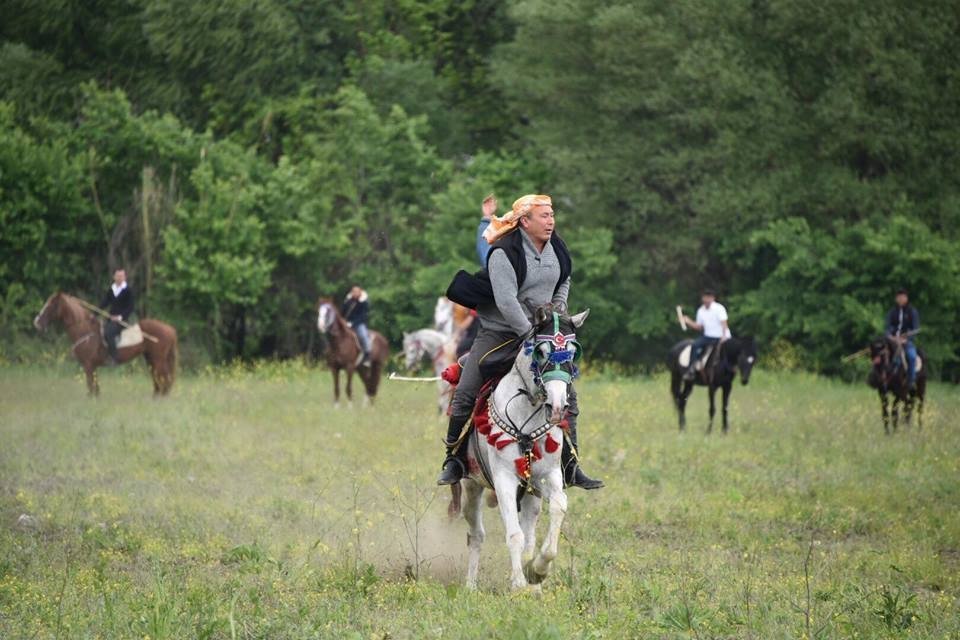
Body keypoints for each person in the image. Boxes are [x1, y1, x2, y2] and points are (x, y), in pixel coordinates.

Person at [439, 194, 603, 490]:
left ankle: (570, 465)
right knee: (466, 389)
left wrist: (557, 309)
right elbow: (505, 300)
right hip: (500, 331)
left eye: (552, 214)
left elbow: (564, 279)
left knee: (567, 395)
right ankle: (454, 458)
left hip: (541, 330)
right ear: (525, 221)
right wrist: (528, 332)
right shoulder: (504, 253)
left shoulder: (558, 248)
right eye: (544, 215)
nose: (551, 220)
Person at [681, 289, 729, 381]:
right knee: (695, 345)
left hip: (719, 336)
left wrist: (724, 335)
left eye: (708, 297)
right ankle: (691, 369)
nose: (706, 299)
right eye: (705, 297)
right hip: (708, 336)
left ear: (712, 298)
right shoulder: (701, 311)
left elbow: (724, 323)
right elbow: (699, 327)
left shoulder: (719, 308)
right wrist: (688, 321)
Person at [99, 268, 135, 363]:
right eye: (117, 276)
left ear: (125, 277)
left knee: (108, 333)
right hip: (111, 320)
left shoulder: (128, 290)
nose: (119, 278)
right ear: (114, 277)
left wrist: (119, 317)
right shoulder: (112, 289)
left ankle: (114, 357)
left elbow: (130, 307)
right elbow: (105, 302)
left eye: (121, 276)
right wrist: (95, 312)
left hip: (122, 321)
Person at [886, 288, 920, 389]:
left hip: (906, 341)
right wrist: (890, 336)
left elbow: (915, 329)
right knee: (881, 353)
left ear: (906, 298)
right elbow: (887, 327)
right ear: (896, 299)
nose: (900, 299)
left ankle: (911, 381)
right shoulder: (892, 312)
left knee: (911, 356)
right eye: (898, 297)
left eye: (902, 297)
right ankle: (880, 379)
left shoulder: (912, 312)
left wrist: (906, 338)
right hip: (892, 341)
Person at [342, 286, 371, 366]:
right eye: (353, 291)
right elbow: (343, 312)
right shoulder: (348, 301)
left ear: (360, 292)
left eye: (356, 291)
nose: (354, 293)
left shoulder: (364, 303)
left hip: (359, 324)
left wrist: (352, 323)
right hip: (346, 323)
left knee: (363, 335)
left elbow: (363, 316)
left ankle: (367, 355)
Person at [475, 194, 497, 267]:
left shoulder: (496, 227)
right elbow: (487, 260)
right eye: (488, 204)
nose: (490, 206)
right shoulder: (484, 228)